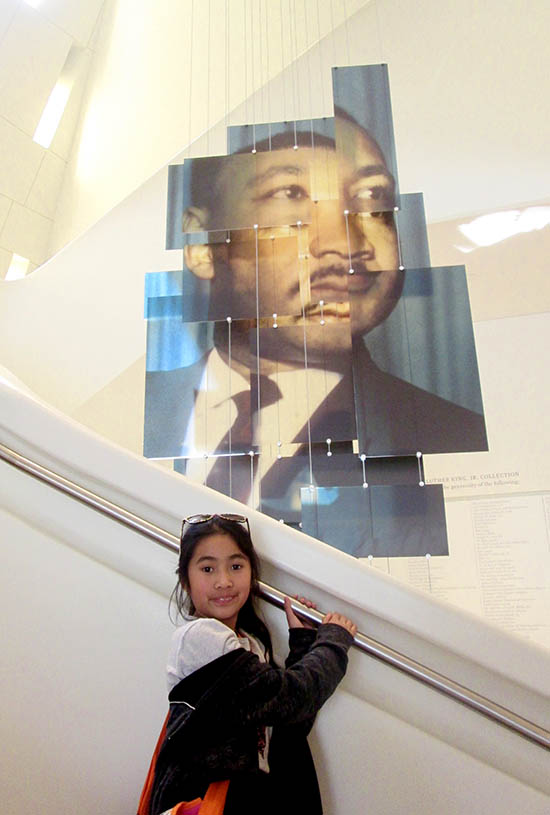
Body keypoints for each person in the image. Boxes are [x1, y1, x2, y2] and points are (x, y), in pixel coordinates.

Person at [144, 111, 487, 514]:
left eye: (372, 203)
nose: (344, 245)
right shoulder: (134, 411)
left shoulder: (450, 433)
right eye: (289, 194)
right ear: (202, 245)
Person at [141, 513, 357, 815]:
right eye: (207, 568)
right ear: (185, 581)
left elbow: (286, 719)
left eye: (236, 566)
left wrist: (303, 641)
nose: (224, 581)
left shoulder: (248, 644)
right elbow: (290, 699)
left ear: (251, 573)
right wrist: (334, 642)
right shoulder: (200, 638)